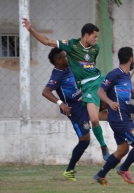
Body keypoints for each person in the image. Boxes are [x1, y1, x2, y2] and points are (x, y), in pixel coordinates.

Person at [21, 18, 134, 161]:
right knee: (94, 120)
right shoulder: (71, 45)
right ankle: (104, 148)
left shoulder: (95, 49)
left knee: (129, 84)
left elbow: (90, 67)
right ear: (86, 35)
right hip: (87, 87)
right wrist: (31, 30)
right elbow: (48, 41)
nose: (96, 40)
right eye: (94, 36)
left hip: (99, 79)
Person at [93, 47, 134, 185]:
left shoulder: (126, 75)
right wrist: (110, 102)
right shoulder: (114, 74)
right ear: (130, 58)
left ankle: (100, 175)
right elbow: (100, 91)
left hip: (123, 118)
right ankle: (123, 169)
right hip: (119, 119)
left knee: (122, 150)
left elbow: (129, 93)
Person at [42, 47, 91, 181]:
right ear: (58, 61)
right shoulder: (57, 74)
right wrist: (61, 103)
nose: (67, 58)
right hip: (74, 109)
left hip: (83, 101)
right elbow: (46, 92)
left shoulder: (68, 68)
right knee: (85, 140)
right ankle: (69, 170)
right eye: (64, 56)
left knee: (107, 100)